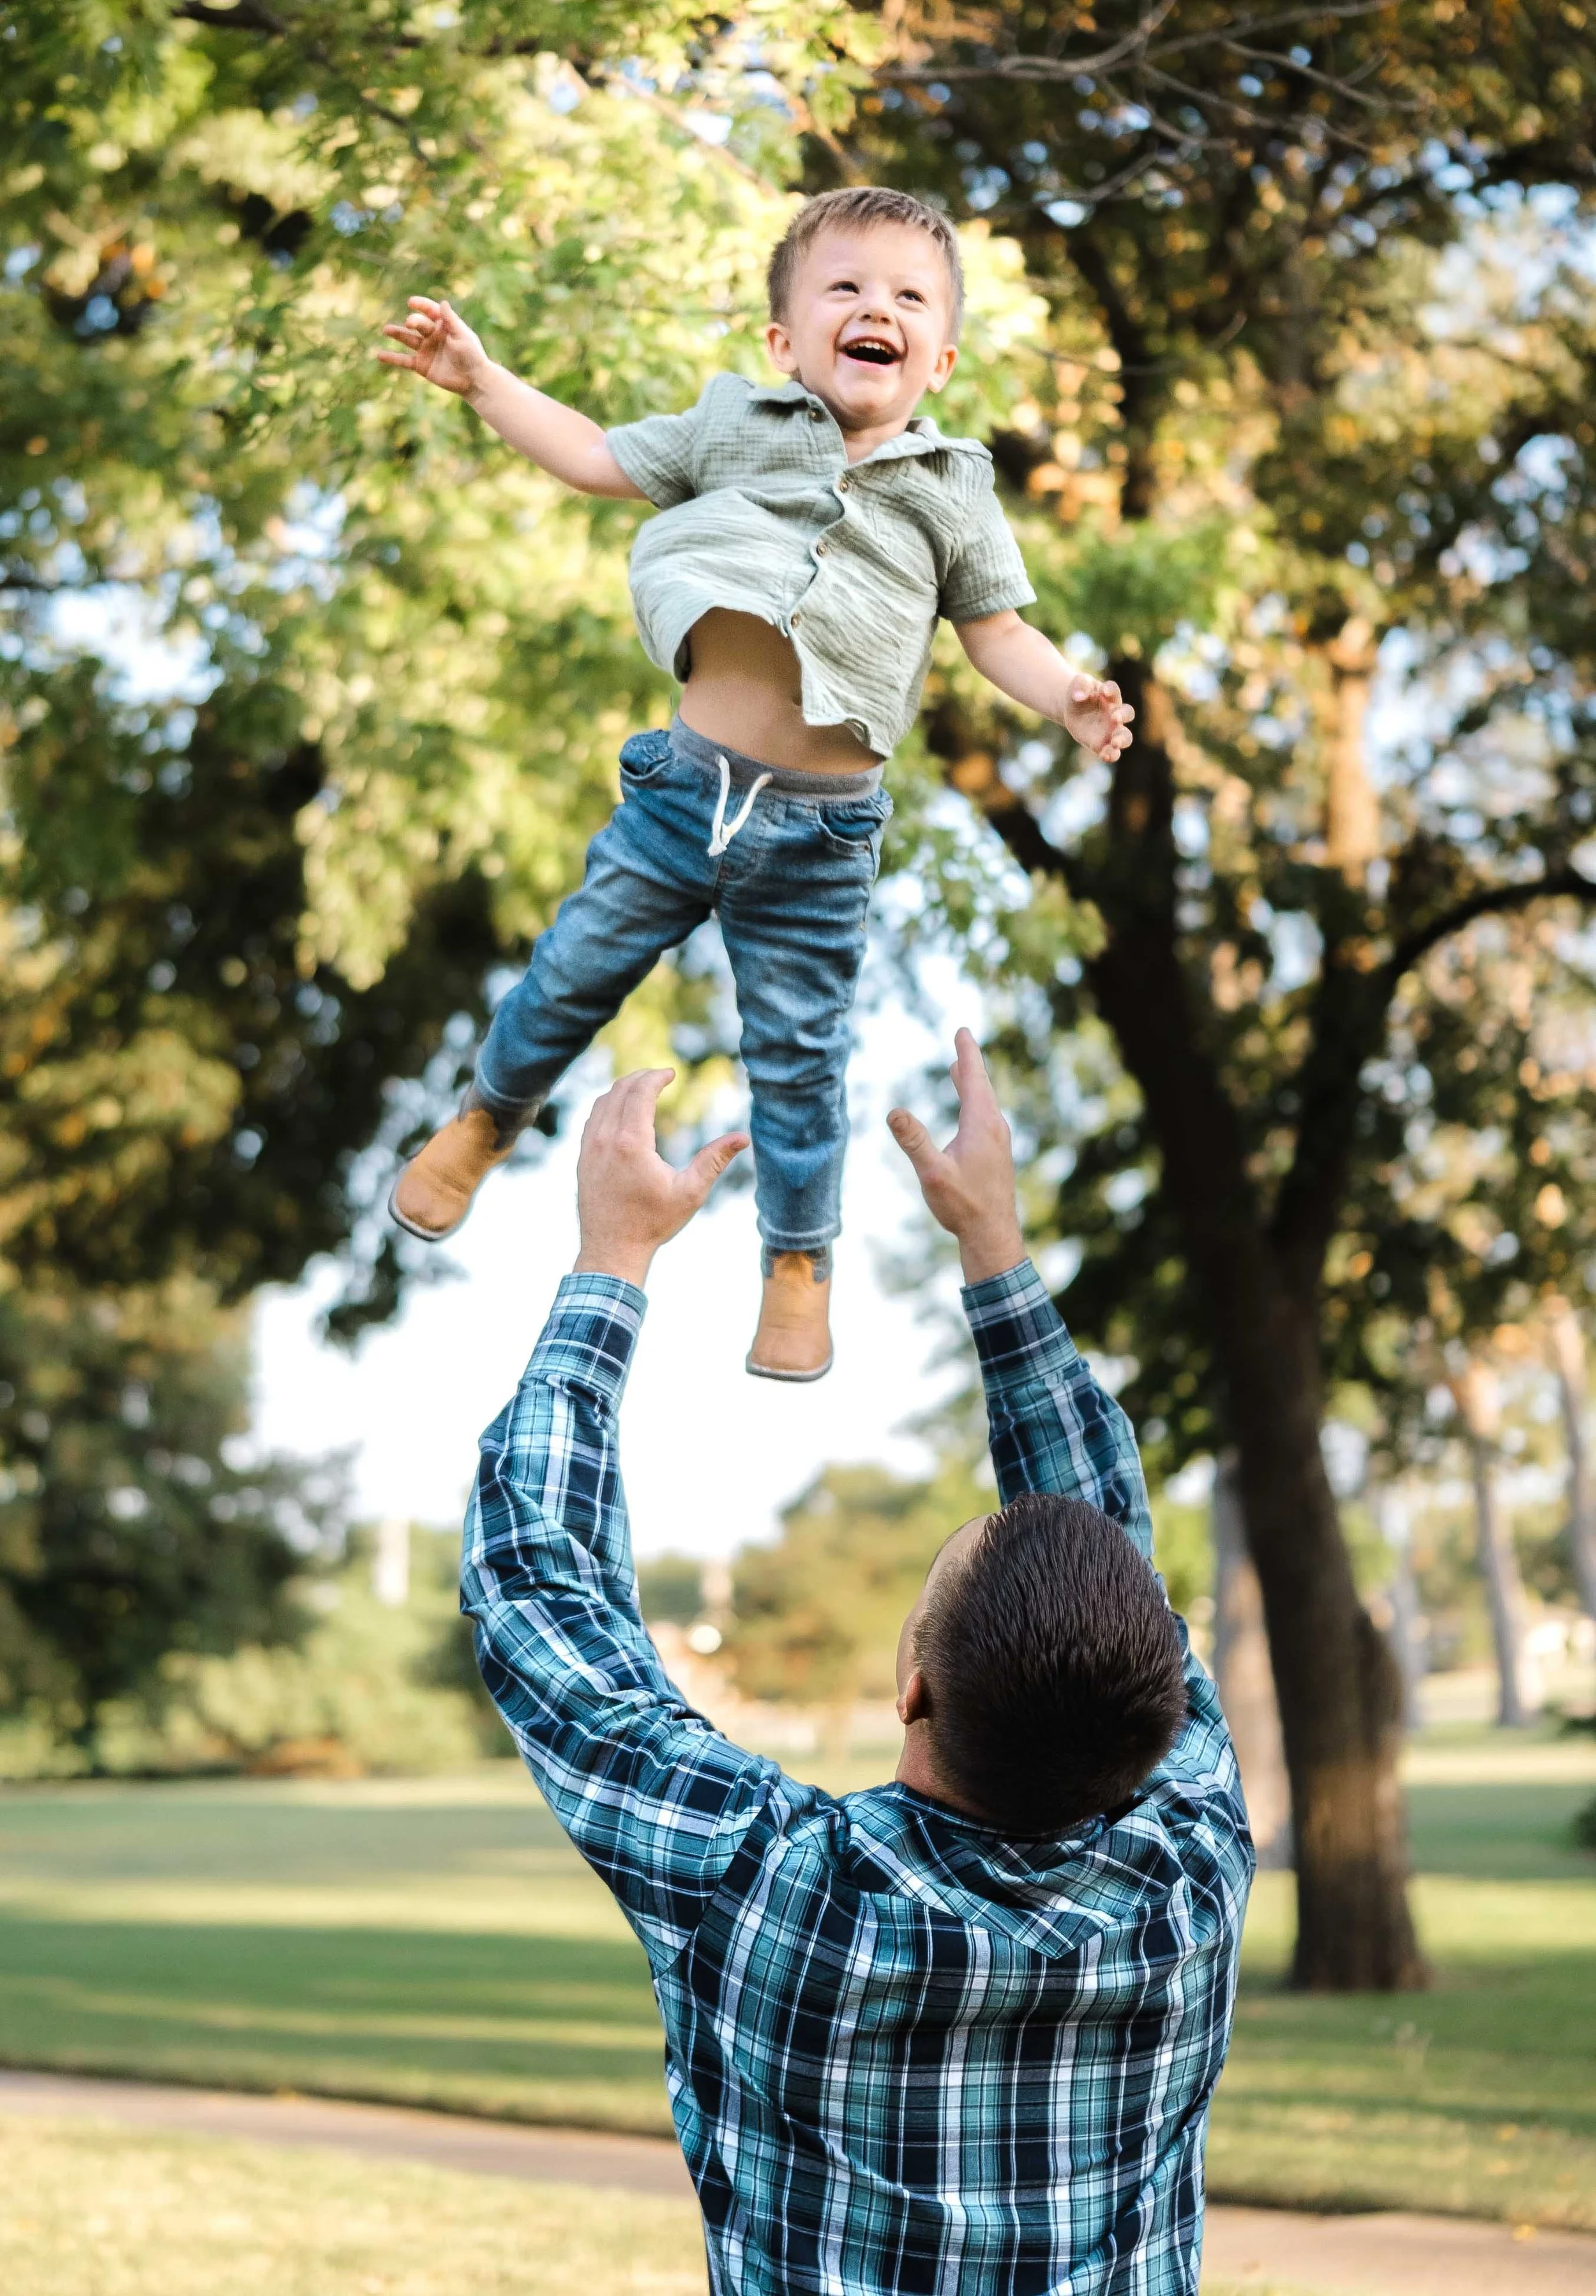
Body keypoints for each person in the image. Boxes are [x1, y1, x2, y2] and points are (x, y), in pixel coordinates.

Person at [462, 1029, 1253, 2296]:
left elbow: (538, 1592)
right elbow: (1109, 1554)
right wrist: (992, 1243)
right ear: (1153, 1704)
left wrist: (611, 1258)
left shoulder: (775, 1891)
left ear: (911, 1689)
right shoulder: (1190, 1878)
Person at [378, 186, 1134, 1382]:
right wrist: (485, 382)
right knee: (572, 971)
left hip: (820, 839)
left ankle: (797, 1261)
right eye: (844, 288)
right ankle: (484, 1121)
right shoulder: (734, 425)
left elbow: (998, 634)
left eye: (907, 298)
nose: (874, 308)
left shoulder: (954, 489)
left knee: (799, 1054)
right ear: (785, 340)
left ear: (940, 356)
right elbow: (593, 455)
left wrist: (1068, 695)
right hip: (684, 792)